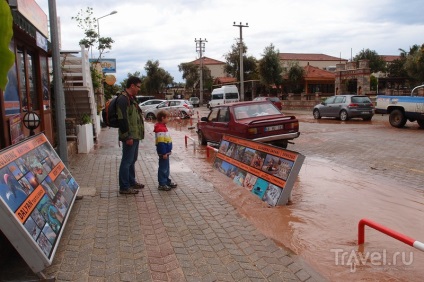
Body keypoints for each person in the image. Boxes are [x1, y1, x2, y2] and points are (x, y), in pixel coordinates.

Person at [117, 76, 145, 194]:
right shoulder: (123, 99)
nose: (139, 89)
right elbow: (121, 118)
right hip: (129, 136)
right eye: (138, 87)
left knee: (132, 160)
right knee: (127, 161)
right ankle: (124, 186)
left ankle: (131, 181)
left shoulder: (132, 98)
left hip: (135, 135)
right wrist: (127, 136)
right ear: (132, 85)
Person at [153, 110, 178, 191]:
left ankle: (166, 181)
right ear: (162, 118)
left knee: (166, 167)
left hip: (166, 152)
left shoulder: (163, 127)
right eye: (167, 118)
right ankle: (162, 183)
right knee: (163, 168)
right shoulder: (160, 128)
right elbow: (161, 142)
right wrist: (164, 153)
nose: (168, 119)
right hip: (163, 152)